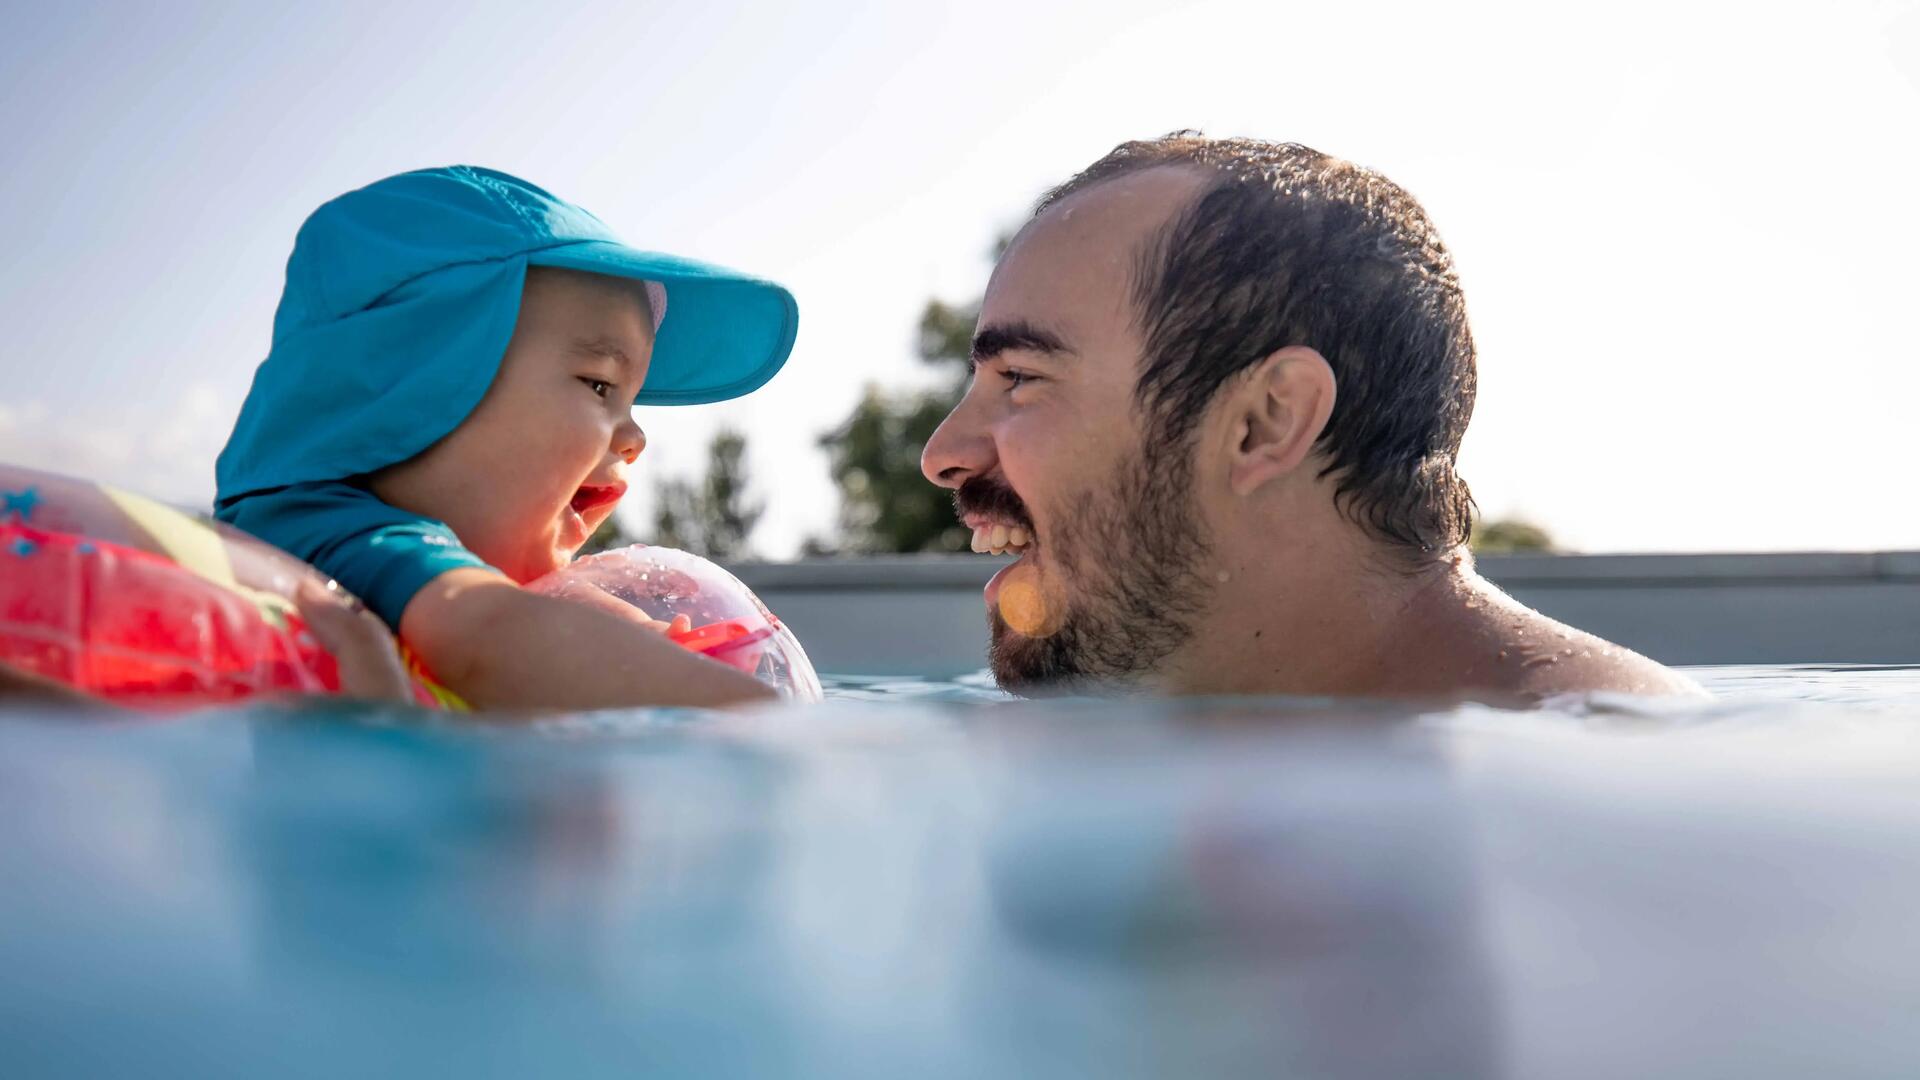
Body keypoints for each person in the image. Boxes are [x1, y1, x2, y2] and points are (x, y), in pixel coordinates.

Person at [921, 133, 1700, 702]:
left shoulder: (1615, 792)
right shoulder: (1207, 763)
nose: (941, 454)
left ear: (1266, 421)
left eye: (1020, 378)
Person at [216, 166, 799, 710]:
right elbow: (485, 629)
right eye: (600, 385)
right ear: (415, 389)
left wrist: (647, 637)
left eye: (632, 398)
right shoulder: (324, 531)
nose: (635, 436)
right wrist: (756, 717)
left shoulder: (470, 571)